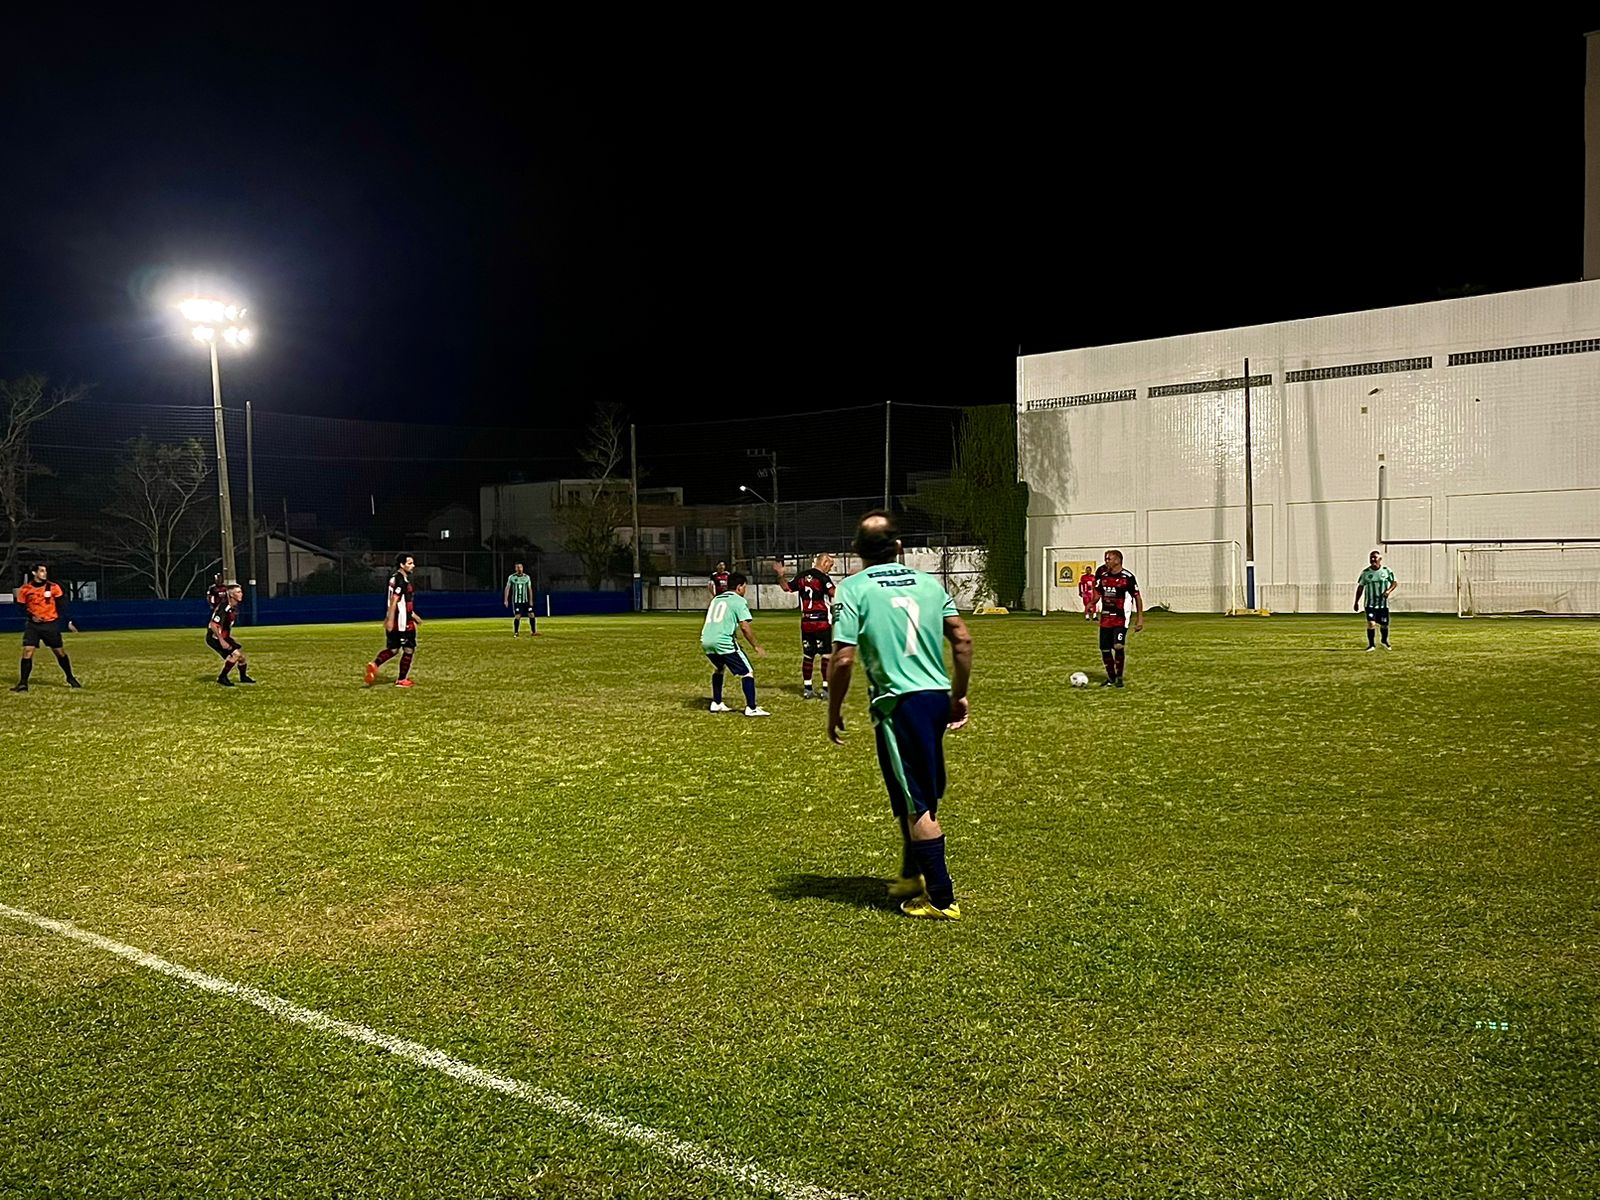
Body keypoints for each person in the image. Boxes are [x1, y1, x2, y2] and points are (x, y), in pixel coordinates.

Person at [828, 512, 973, 921]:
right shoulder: (928, 584)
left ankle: (941, 899)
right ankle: (912, 874)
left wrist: (834, 709)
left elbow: (843, 659)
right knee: (914, 790)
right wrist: (959, 694)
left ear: (856, 550)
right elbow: (962, 639)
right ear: (899, 547)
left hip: (898, 703)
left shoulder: (853, 588)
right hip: (933, 698)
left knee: (917, 801)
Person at [700, 571, 769, 716]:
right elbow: (745, 627)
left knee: (720, 668)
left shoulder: (716, 599)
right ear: (739, 587)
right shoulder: (738, 600)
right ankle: (751, 708)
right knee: (747, 672)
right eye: (744, 587)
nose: (745, 590)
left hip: (706, 640)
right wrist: (756, 646)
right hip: (723, 642)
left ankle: (717, 703)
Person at [773, 553, 836, 699]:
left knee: (808, 655)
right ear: (824, 563)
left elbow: (786, 587)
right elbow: (833, 593)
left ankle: (807, 688)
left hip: (806, 622)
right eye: (830, 565)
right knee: (826, 655)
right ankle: (826, 689)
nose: (830, 569)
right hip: (821, 622)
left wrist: (780, 575)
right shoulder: (823, 578)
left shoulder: (802, 576)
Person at [11, 563, 82, 692]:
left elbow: (62, 606)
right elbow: (21, 608)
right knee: (27, 651)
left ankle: (70, 677)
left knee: (59, 652)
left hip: (50, 624)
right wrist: (31, 616)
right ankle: (23, 683)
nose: (45, 573)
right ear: (34, 573)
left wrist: (68, 621)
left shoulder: (54, 587)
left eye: (45, 571)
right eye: (42, 571)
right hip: (33, 626)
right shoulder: (26, 589)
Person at [365, 554, 421, 688]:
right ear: (402, 565)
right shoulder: (401, 580)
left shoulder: (394, 578)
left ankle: (375, 664)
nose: (413, 566)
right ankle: (402, 679)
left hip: (400, 619)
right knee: (409, 649)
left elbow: (401, 601)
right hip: (402, 623)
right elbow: (395, 600)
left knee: (393, 649)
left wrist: (412, 614)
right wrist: (389, 620)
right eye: (409, 563)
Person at [1092, 549, 1143, 687]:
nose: (1106, 561)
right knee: (1105, 649)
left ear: (1117, 560)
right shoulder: (1103, 576)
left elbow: (1137, 597)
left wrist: (1140, 618)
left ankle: (1119, 677)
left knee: (1118, 645)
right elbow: (1098, 593)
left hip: (1121, 617)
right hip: (1106, 617)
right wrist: (1092, 603)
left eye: (1108, 559)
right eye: (1106, 559)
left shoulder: (1127, 577)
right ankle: (1111, 678)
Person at [207, 583, 256, 686]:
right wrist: (222, 641)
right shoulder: (224, 607)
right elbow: (213, 625)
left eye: (241, 591)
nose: (241, 594)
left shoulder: (233, 606)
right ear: (231, 595)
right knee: (235, 655)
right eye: (238, 592)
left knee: (242, 658)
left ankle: (243, 677)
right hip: (215, 637)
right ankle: (222, 677)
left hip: (224, 637)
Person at [1354, 549, 1398, 650]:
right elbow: (1360, 587)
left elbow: (1394, 582)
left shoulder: (1386, 571)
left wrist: (1388, 591)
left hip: (1383, 605)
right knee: (1371, 623)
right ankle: (1371, 645)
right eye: (1371, 558)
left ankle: (1384, 640)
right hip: (1370, 604)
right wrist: (1356, 602)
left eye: (1375, 558)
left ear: (1380, 559)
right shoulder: (1365, 573)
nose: (1373, 559)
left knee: (1384, 625)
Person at [504, 561, 537, 637]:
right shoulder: (512, 577)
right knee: (517, 616)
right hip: (517, 601)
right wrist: (506, 600)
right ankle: (516, 632)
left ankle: (533, 632)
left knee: (531, 614)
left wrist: (531, 600)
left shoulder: (527, 577)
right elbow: (507, 588)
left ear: (523, 568)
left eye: (520, 567)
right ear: (515, 568)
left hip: (526, 600)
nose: (519, 569)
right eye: (517, 567)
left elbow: (529, 589)